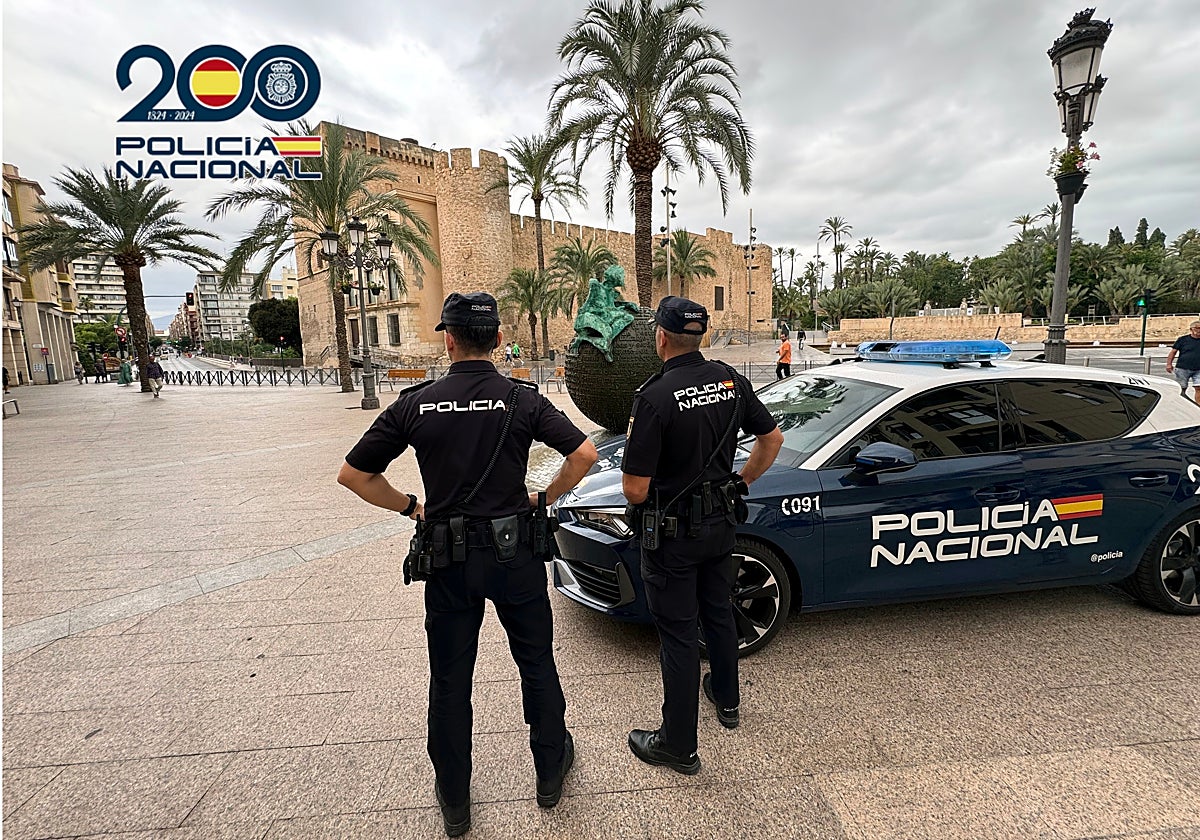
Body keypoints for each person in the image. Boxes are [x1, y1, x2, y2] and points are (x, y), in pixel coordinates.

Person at [337, 291, 598, 837]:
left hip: (450, 559)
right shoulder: (523, 400)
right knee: (536, 663)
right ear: (499, 341)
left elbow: (354, 475)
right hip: (515, 555)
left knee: (451, 677)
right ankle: (550, 772)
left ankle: (455, 796)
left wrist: (413, 506)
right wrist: (544, 497)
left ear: (448, 340)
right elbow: (584, 455)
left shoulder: (416, 404)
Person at [621, 296, 784, 775]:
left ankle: (678, 744)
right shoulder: (730, 381)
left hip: (672, 537)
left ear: (661, 337)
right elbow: (771, 438)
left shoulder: (653, 397)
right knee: (718, 611)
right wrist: (741, 482)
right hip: (720, 525)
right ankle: (727, 701)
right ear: (703, 336)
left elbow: (634, 489)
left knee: (677, 635)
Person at [1166, 320, 1200, 402]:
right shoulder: (1182, 340)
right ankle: (1181, 403)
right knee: (1181, 387)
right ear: (1191, 329)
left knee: (1199, 388)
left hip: (1199, 369)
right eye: (1197, 328)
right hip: (1183, 368)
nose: (1199, 330)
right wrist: (1169, 364)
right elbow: (1173, 352)